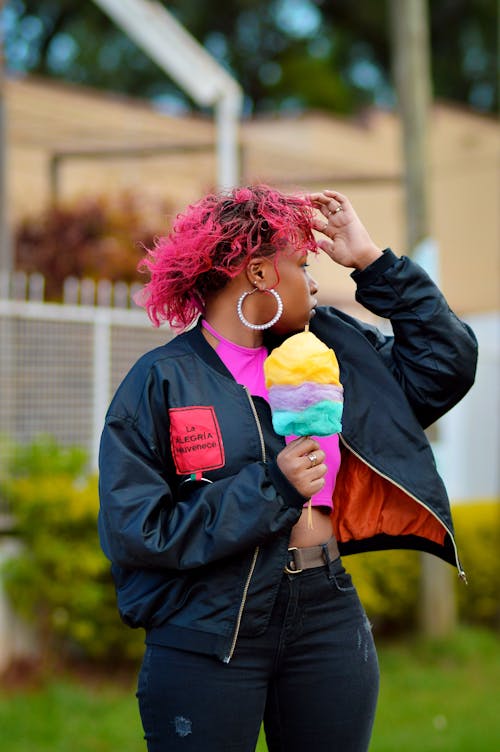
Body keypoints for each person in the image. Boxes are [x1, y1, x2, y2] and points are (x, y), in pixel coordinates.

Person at [98, 185, 477, 752]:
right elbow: (137, 531)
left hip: (327, 612)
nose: (317, 281)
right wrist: (271, 488)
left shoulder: (331, 351)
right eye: (303, 265)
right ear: (257, 274)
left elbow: (446, 363)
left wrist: (374, 263)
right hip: (208, 628)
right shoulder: (163, 380)